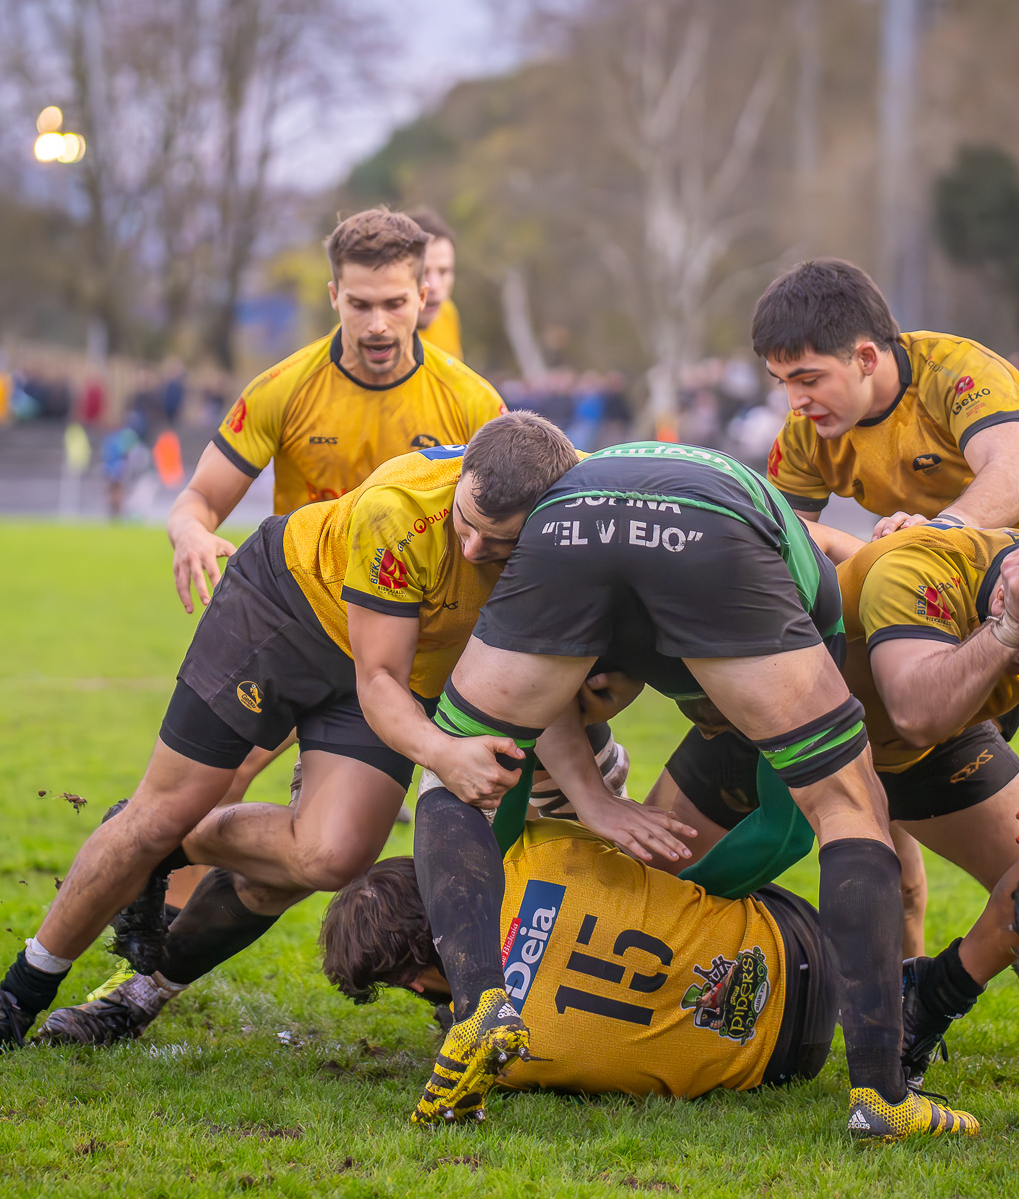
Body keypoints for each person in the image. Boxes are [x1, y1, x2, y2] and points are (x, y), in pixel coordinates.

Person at [0, 415, 666, 1053]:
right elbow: (378, 682)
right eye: (465, 524)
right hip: (283, 614)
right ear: (461, 477)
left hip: (398, 664)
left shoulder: (564, 549)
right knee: (162, 810)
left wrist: (592, 797)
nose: (472, 550)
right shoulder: (400, 508)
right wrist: (442, 752)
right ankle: (17, 996)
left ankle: (168, 849)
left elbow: (545, 683)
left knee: (332, 855)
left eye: (497, 541)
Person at [402, 440, 982, 1142]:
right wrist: (652, 878)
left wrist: (552, 898)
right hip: (713, 532)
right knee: (846, 806)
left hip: (577, 525)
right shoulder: (762, 613)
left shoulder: (584, 536)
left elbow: (501, 752)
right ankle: (883, 1099)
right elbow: (794, 829)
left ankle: (479, 1005)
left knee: (451, 770)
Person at [750, 258, 1019, 1055]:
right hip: (939, 611)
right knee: (918, 809)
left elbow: (1012, 478)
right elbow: (780, 553)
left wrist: (936, 533)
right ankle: (935, 987)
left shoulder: (957, 372)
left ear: (866, 356)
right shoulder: (807, 435)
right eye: (780, 381)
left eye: (807, 377)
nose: (793, 400)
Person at [160, 208, 504, 902]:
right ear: (332, 298)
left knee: (324, 850)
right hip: (302, 619)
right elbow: (197, 500)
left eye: (395, 303)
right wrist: (192, 532)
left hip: (408, 639)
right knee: (211, 786)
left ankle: (464, 975)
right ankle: (146, 946)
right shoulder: (285, 387)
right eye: (360, 304)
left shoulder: (471, 400)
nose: (378, 324)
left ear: (423, 301)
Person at [320, 819, 837, 1101]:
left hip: (786, 1063)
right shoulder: (540, 850)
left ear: (411, 982)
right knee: (649, 846)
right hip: (797, 938)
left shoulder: (504, 1067)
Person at [409, 208, 462, 362]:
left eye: (444, 271)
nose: (434, 285)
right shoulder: (360, 343)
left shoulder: (447, 313)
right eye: (422, 272)